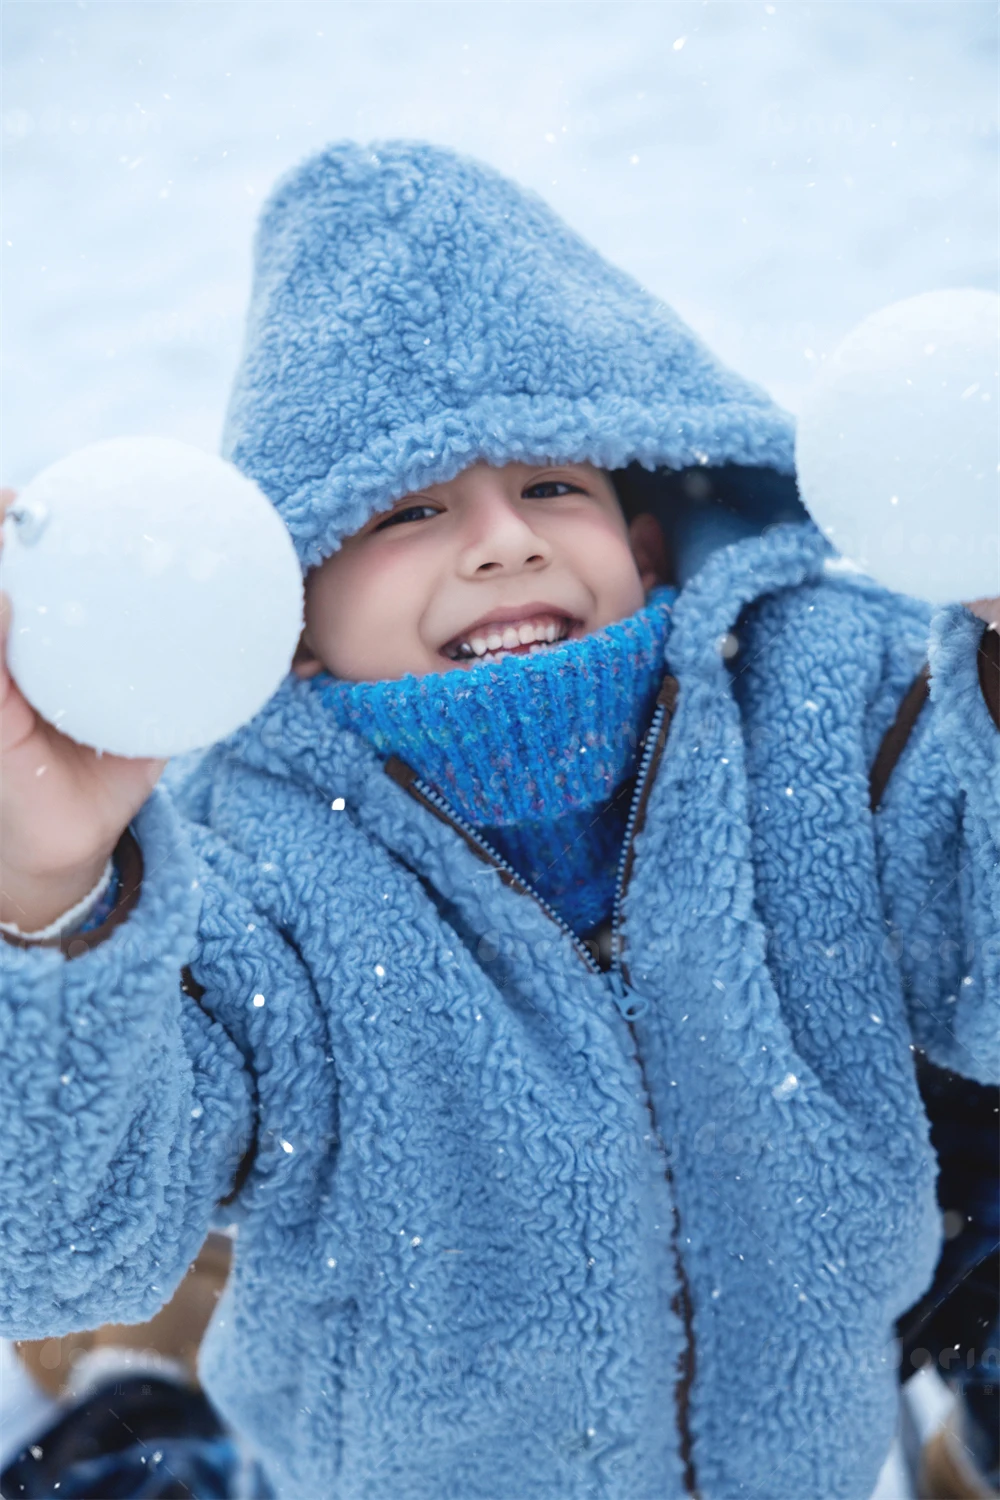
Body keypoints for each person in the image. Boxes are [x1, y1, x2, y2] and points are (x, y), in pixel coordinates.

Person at [1, 140, 997, 1500]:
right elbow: (52, 1248)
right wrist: (50, 893)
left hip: (803, 1470)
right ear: (287, 617)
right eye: (411, 507)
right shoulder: (245, 869)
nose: (501, 539)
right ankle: (131, 1412)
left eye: (551, 486)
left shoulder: (829, 709)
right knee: (141, 1407)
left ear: (643, 544)